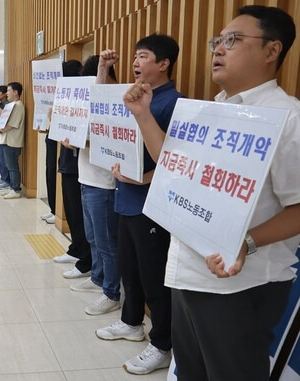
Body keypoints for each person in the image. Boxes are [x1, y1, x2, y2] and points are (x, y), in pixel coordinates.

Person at [124, 6, 300, 380]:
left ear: (272, 51)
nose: (218, 49)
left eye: (232, 41)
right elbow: (172, 165)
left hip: (240, 285)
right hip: (189, 272)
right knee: (191, 372)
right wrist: (142, 114)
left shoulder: (289, 119)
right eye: (216, 41)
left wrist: (245, 243)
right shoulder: (210, 110)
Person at [94, 34, 184, 375]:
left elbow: (177, 160)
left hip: (151, 205)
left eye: (142, 56)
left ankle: (162, 344)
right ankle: (131, 323)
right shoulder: (131, 96)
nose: (135, 62)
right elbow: (100, 108)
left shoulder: (172, 102)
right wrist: (104, 67)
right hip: (125, 198)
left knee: (154, 278)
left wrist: (143, 179)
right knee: (130, 271)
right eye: (134, 56)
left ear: (163, 64)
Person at [63, 55, 121, 316]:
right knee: (93, 237)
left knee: (107, 242)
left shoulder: (117, 104)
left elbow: (113, 144)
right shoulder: (90, 103)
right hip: (86, 178)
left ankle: (111, 292)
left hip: (104, 183)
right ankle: (98, 277)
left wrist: (80, 141)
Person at [52, 60, 92, 275]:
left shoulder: (85, 100)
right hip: (67, 163)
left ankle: (85, 257)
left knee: (80, 214)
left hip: (80, 167)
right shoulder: (66, 100)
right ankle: (76, 248)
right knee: (72, 211)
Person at [0, 82, 25, 199]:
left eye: (9, 91)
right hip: (8, 140)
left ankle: (16, 189)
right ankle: (12, 188)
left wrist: (1, 130)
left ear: (16, 92)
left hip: (13, 141)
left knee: (12, 166)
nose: (7, 93)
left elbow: (13, 124)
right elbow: (3, 115)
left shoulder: (18, 106)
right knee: (9, 165)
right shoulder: (11, 105)